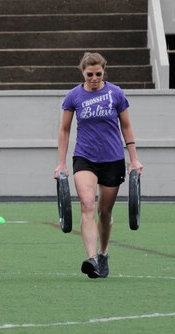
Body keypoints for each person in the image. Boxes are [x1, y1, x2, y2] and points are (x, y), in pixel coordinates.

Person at [54, 52, 143, 279]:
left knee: (105, 211)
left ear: (104, 72)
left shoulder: (116, 93)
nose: (94, 78)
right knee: (87, 205)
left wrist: (134, 159)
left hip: (112, 159)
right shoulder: (74, 96)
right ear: (82, 72)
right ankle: (92, 258)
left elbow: (127, 127)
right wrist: (61, 163)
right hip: (85, 157)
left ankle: (103, 253)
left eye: (98, 74)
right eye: (89, 74)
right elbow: (64, 130)